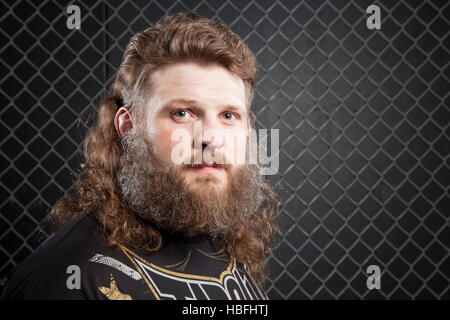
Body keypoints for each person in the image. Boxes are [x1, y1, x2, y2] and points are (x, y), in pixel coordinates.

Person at [3, 12, 280, 300]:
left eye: (228, 115)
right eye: (182, 113)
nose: (210, 137)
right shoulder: (68, 279)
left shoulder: (223, 243)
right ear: (128, 126)